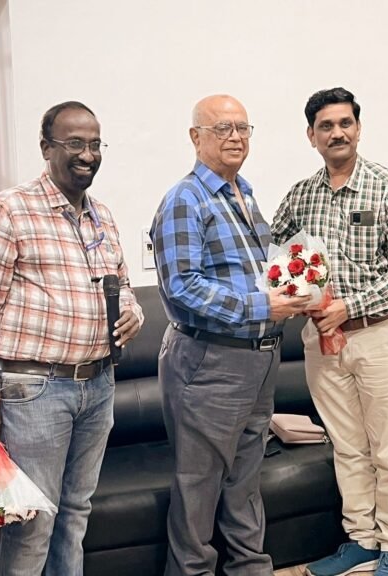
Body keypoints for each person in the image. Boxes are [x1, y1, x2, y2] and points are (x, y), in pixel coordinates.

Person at [0, 101, 143, 576]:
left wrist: (133, 313)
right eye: (74, 143)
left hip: (97, 386)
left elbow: (123, 287)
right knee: (33, 524)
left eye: (95, 144)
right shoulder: (9, 211)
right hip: (34, 390)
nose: (88, 154)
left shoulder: (101, 215)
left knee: (76, 515)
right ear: (46, 148)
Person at [150, 94, 312, 576]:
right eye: (222, 129)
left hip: (259, 358)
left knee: (244, 478)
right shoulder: (186, 198)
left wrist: (301, 290)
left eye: (243, 128)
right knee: (198, 484)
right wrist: (266, 305)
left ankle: (250, 568)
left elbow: (255, 272)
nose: (235, 137)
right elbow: (182, 289)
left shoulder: (243, 191)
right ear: (195, 137)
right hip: (210, 360)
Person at [271, 87, 388, 576]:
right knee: (346, 445)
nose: (336, 132)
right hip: (321, 340)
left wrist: (350, 306)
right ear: (311, 136)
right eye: (325, 126)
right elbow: (277, 252)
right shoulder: (301, 194)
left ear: (358, 129)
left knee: (386, 446)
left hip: (378, 334)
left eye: (345, 123)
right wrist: (292, 294)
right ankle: (360, 538)